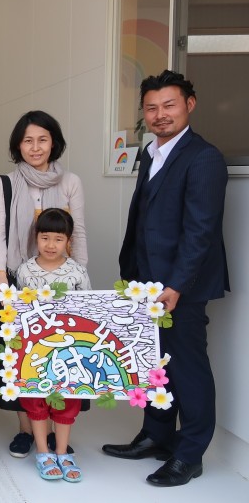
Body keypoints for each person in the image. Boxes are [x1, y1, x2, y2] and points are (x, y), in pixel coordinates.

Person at [102, 70, 229, 487]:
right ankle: (156, 435)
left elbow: (200, 231)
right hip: (146, 281)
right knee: (154, 363)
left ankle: (189, 455)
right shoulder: (151, 152)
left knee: (188, 368)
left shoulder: (203, 157)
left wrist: (175, 286)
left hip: (180, 287)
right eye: (152, 108)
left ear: (189, 104)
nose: (160, 114)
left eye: (169, 105)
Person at [0, 110, 88, 458]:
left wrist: (80, 277)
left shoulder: (70, 181)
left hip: (61, 280)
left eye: (42, 139)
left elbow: (78, 231)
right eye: (27, 141)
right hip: (20, 279)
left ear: (54, 143)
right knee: (23, 356)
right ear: (18, 146)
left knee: (59, 354)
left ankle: (57, 432)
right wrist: (1, 275)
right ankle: (27, 431)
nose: (35, 147)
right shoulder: (5, 183)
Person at [15, 208, 89, 482]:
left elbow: (87, 310)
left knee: (67, 398)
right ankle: (43, 452)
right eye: (45, 237)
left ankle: (62, 452)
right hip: (35, 351)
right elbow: (19, 311)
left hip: (68, 351)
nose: (50, 245)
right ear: (36, 237)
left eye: (58, 239)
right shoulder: (25, 270)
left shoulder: (77, 272)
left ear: (68, 241)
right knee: (35, 397)